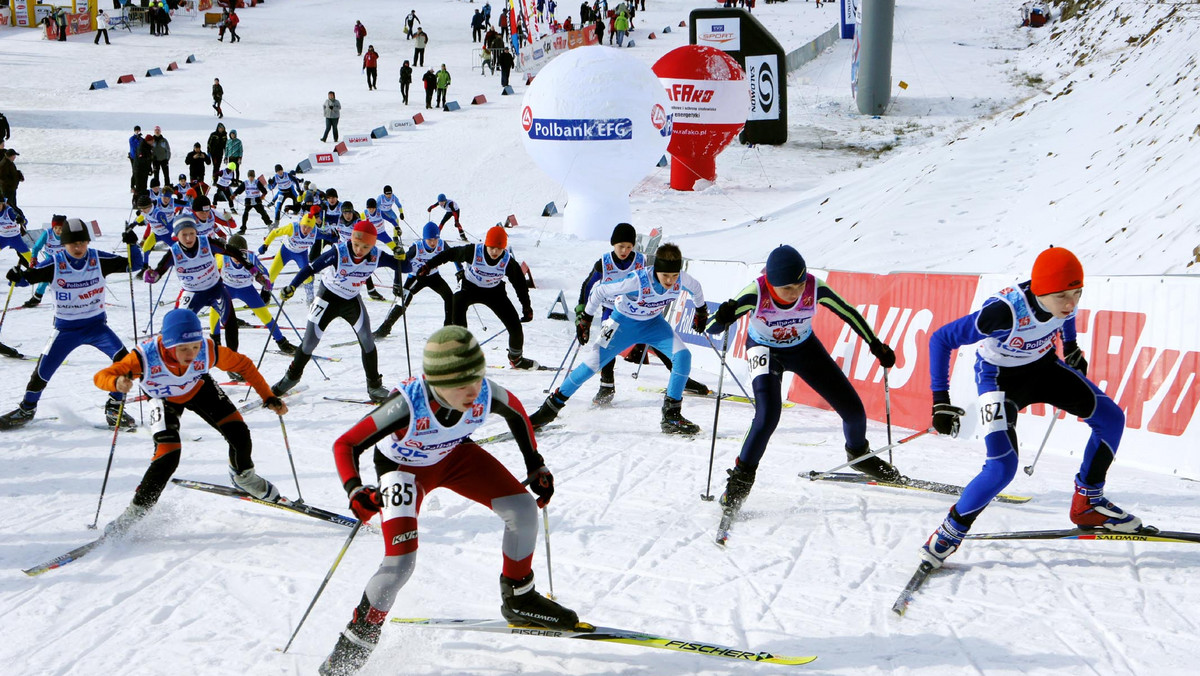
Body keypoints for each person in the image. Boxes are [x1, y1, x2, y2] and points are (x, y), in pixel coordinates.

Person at [318, 326, 577, 674]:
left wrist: (535, 463)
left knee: (522, 509)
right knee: (400, 564)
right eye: (461, 385)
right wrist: (354, 488)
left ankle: (519, 597)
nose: (474, 391)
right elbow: (345, 444)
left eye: (477, 378)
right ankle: (354, 643)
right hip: (403, 469)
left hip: (454, 455)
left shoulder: (483, 390)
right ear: (435, 383)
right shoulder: (406, 404)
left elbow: (516, 411)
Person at [918, 247, 1143, 570]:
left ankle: (1087, 502)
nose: (1072, 303)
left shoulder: (1059, 298)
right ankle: (949, 533)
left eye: (1078, 294)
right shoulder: (1001, 312)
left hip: (1043, 368)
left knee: (1111, 419)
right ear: (1040, 292)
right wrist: (940, 399)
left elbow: (1064, 313)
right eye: (1064, 295)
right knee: (1001, 468)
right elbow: (941, 339)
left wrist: (1071, 346)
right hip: (998, 379)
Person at [704, 245, 900, 520]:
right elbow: (711, 327)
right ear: (772, 284)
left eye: (799, 283)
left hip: (803, 348)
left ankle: (859, 455)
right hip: (764, 351)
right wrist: (722, 317)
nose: (797, 292)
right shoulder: (755, 292)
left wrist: (875, 345)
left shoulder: (813, 286)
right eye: (788, 288)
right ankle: (739, 482)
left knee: (853, 409)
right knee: (768, 416)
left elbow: (849, 312)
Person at [93, 309, 290, 536]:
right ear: (168, 345)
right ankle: (134, 513)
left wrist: (268, 396)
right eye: (183, 348)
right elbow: (101, 376)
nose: (191, 354)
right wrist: (116, 382)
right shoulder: (143, 357)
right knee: (168, 457)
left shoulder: (207, 350)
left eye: (195, 346)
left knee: (239, 434)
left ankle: (243, 477)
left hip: (198, 389)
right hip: (163, 398)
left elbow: (244, 365)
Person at [530, 243, 705, 434]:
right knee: (592, 364)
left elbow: (697, 289)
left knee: (683, 356)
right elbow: (599, 291)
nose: (670, 281)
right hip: (621, 324)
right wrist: (586, 318)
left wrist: (701, 311)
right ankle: (549, 410)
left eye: (674, 276)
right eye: (665, 276)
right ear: (656, 270)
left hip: (653, 324)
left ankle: (671, 415)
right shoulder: (637, 281)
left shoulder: (682, 279)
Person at [0, 218, 141, 430]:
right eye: (73, 243)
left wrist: (133, 245)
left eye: (83, 242)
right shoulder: (55, 262)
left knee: (127, 362)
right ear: (64, 244)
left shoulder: (97, 258)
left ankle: (114, 406)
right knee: (43, 370)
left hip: (97, 328)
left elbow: (134, 265)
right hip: (66, 329)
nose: (79, 247)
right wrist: (15, 277)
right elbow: (25, 279)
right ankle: (27, 408)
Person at [271, 221, 404, 403]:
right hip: (327, 298)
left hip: (351, 300)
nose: (359, 250)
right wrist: (292, 286)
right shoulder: (338, 252)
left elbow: (405, 267)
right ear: (351, 239)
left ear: (372, 245)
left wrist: (400, 256)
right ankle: (291, 377)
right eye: (356, 244)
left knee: (367, 339)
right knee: (309, 343)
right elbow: (312, 268)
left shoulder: (376, 256)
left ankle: (374, 386)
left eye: (365, 247)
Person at [576, 223, 707, 406]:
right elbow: (588, 285)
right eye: (621, 246)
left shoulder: (640, 260)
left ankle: (681, 378)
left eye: (629, 247)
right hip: (612, 310)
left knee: (661, 344)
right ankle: (606, 386)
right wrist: (582, 312)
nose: (625, 251)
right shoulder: (604, 262)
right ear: (613, 244)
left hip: (639, 309)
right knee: (606, 344)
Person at [417, 226, 538, 369]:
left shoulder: (507, 262)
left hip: (494, 292)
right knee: (458, 320)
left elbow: (520, 286)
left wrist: (526, 306)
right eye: (491, 247)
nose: (494, 252)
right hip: (469, 288)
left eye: (499, 249)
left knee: (515, 327)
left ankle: (516, 359)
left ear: (504, 248)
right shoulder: (473, 251)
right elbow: (449, 254)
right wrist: (428, 265)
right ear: (486, 244)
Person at [142, 215, 244, 349]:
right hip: (191, 292)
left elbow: (229, 251)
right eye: (184, 234)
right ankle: (162, 355)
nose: (189, 238)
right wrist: (151, 276)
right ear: (177, 235)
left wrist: (251, 267)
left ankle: (233, 360)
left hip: (215, 288)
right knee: (176, 323)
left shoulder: (206, 243)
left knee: (230, 322)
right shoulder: (174, 252)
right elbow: (158, 272)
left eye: (192, 233)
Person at [210, 234, 295, 359]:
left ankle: (282, 342)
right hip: (227, 288)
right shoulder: (223, 258)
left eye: (241, 253)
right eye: (234, 254)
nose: (237, 257)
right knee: (215, 310)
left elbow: (265, 273)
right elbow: (210, 270)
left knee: (265, 316)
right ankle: (215, 342)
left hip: (246, 290)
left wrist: (266, 283)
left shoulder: (251, 258)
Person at [375, 221, 456, 339]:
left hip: (434, 277)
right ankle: (385, 328)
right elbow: (399, 262)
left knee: (449, 296)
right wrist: (397, 283)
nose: (433, 242)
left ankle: (448, 328)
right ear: (424, 239)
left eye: (435, 239)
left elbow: (453, 255)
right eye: (429, 240)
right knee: (404, 299)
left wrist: (459, 272)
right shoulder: (416, 248)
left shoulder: (442, 245)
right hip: (416, 277)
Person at [259, 209, 330, 306]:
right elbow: (275, 233)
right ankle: (264, 298)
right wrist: (265, 244)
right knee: (270, 275)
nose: (306, 230)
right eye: (304, 226)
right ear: (300, 224)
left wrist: (336, 237)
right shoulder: (292, 227)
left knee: (307, 277)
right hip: (285, 252)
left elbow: (330, 237)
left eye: (309, 228)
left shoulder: (316, 232)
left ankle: (310, 299)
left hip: (301, 254)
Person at [20, 214, 66, 308]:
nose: (58, 231)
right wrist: (33, 258)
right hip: (50, 259)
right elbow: (36, 247)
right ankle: (37, 298)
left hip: (63, 259)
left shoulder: (68, 234)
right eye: (56, 228)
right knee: (46, 276)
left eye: (61, 228)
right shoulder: (47, 233)